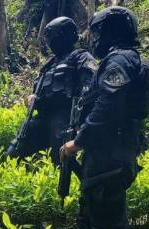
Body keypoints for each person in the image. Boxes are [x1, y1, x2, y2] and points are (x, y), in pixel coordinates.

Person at [60, 6, 149, 229]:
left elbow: (107, 107)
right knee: (91, 218)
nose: (95, 38)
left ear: (112, 31)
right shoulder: (126, 59)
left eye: (98, 31)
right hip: (109, 153)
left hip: (110, 155)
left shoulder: (120, 60)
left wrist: (79, 141)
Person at [9, 17, 95, 164]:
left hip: (65, 117)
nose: (50, 42)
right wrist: (31, 98)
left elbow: (89, 88)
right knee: (13, 151)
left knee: (61, 160)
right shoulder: (49, 64)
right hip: (43, 117)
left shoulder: (80, 57)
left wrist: (80, 122)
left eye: (53, 37)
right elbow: (37, 90)